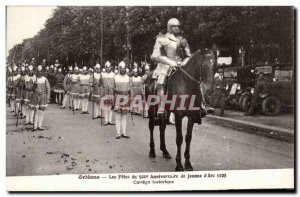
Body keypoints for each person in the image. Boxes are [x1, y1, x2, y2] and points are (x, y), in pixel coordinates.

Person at [151, 18, 191, 117]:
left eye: (178, 26)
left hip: (180, 65)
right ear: (169, 27)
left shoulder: (183, 40)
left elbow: (189, 56)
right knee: (161, 81)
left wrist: (184, 62)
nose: (177, 28)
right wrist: (169, 62)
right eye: (174, 26)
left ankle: (201, 105)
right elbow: (154, 56)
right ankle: (161, 106)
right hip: (165, 64)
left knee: (194, 79)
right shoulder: (161, 38)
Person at [29, 65, 51, 131]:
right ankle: (35, 126)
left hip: (43, 96)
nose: (39, 73)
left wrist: (48, 97)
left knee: (41, 111)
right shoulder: (33, 79)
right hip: (35, 96)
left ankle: (40, 125)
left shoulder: (45, 79)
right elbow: (30, 88)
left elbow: (48, 88)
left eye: (40, 72)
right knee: (36, 111)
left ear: (42, 72)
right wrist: (34, 85)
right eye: (38, 72)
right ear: (36, 72)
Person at [114, 61, 130, 139]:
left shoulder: (128, 77)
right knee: (118, 116)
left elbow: (130, 88)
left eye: (124, 69)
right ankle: (118, 133)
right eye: (122, 69)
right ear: (119, 68)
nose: (123, 70)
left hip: (125, 97)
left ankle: (124, 133)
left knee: (124, 116)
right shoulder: (115, 77)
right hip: (118, 97)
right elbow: (112, 88)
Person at [101, 61, 115, 125]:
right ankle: (106, 120)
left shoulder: (113, 74)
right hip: (105, 91)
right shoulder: (103, 74)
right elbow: (100, 83)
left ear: (110, 68)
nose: (108, 69)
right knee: (105, 106)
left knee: (111, 106)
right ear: (105, 68)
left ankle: (110, 120)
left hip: (111, 91)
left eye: (109, 67)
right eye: (107, 67)